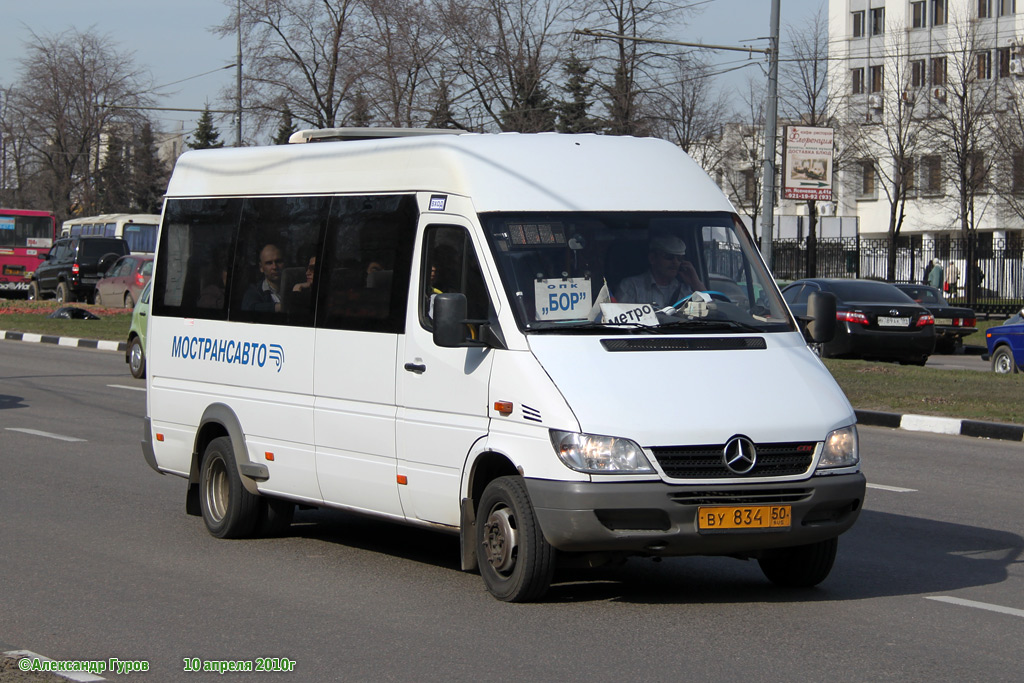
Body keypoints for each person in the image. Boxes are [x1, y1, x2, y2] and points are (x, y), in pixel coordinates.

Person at [615, 233, 705, 308]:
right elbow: (619, 319)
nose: (675, 262)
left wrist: (695, 282)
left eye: (679, 258)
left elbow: (710, 311)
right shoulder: (631, 286)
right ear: (652, 258)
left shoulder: (684, 290)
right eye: (669, 257)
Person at [241, 243, 285, 312]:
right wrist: (280, 307)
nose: (274, 267)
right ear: (261, 268)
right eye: (269, 263)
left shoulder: (294, 287)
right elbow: (250, 308)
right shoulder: (254, 292)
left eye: (278, 261)